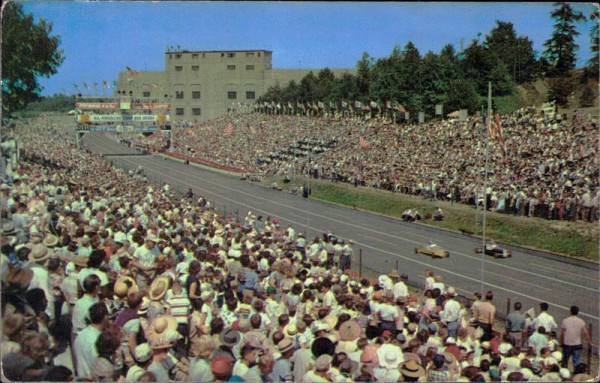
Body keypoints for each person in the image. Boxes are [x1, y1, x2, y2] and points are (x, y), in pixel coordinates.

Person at [560, 305, 592, 370]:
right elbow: (585, 333)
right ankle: (577, 375)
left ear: (570, 311)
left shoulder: (565, 321)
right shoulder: (581, 321)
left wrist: (561, 342)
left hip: (567, 344)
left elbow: (562, 334)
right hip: (577, 344)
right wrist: (589, 342)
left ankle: (564, 374)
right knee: (577, 362)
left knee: (565, 361)